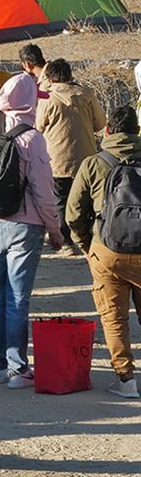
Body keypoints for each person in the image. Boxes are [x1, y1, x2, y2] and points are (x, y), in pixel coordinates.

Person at [0, 74, 62, 389]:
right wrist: (55, 230)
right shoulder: (32, 137)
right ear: (29, 101)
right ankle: (17, 369)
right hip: (25, 226)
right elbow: (44, 191)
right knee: (18, 299)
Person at [66, 106, 141, 399]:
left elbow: (74, 213)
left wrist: (86, 245)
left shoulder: (94, 163)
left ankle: (126, 380)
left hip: (107, 251)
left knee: (114, 318)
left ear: (107, 130)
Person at [37, 59, 105, 256]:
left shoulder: (48, 99)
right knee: (87, 199)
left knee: (60, 199)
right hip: (87, 159)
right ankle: (88, 239)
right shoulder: (88, 95)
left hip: (58, 159)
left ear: (50, 78)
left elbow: (38, 126)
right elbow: (100, 124)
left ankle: (65, 241)